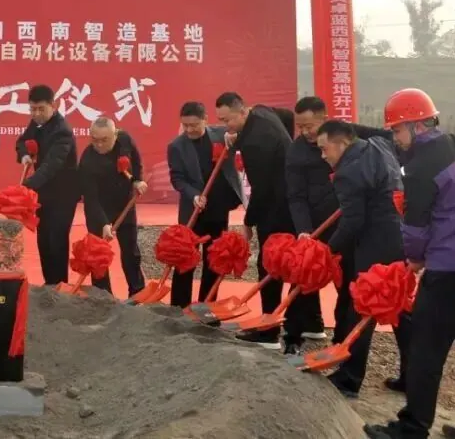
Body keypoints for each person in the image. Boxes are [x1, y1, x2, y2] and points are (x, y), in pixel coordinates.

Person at [365, 89, 455, 439]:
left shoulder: (420, 166)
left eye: (396, 130)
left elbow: (414, 229)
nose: (395, 138)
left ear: (415, 125)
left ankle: (412, 429)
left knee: (426, 349)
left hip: (450, 272)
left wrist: (414, 259)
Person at [287, 96, 399, 358]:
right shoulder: (296, 151)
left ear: (326, 122)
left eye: (310, 126)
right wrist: (303, 230)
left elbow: (389, 138)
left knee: (347, 286)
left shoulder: (349, 138)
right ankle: (293, 335)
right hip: (316, 227)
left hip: (349, 227)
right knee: (302, 280)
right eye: (300, 127)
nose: (305, 133)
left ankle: (341, 342)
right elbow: (295, 195)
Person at [317, 120, 413, 400]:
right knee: (401, 310)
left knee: (361, 308)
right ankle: (413, 375)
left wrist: (328, 250)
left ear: (342, 143)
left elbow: (353, 222)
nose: (323, 156)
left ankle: (349, 378)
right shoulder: (380, 146)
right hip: (399, 238)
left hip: (373, 246)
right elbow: (385, 133)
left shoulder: (348, 171)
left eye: (325, 149)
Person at [214, 92, 295, 350]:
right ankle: (310, 325)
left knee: (269, 265)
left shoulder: (256, 144)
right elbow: (286, 116)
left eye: (228, 120)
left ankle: (269, 331)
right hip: (292, 198)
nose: (226, 126)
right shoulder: (261, 111)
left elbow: (260, 189)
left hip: (278, 207)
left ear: (241, 112)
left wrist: (249, 222)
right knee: (295, 264)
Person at [168, 101, 244, 307]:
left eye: (194, 125)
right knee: (185, 260)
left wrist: (236, 139)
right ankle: (179, 307)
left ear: (205, 120)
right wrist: (193, 195)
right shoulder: (176, 146)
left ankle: (208, 304)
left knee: (215, 259)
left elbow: (244, 136)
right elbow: (177, 178)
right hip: (192, 208)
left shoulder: (222, 135)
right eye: (185, 125)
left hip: (218, 208)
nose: (189, 130)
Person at [16, 84, 80, 285]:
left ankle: (61, 286)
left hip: (63, 194)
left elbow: (51, 166)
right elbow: (21, 141)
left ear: (54, 105)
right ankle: (50, 284)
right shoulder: (36, 123)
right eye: (32, 109)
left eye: (41, 109)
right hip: (43, 192)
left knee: (57, 240)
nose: (36, 114)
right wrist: (25, 154)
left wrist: (25, 187)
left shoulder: (63, 131)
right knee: (43, 240)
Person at [79, 116, 147, 297]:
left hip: (125, 204)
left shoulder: (125, 140)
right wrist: (103, 223)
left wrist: (137, 180)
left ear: (115, 135)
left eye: (104, 140)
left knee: (131, 252)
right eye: (95, 140)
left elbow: (136, 160)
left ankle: (137, 292)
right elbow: (91, 199)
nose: (99, 144)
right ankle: (103, 296)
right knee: (98, 257)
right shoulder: (87, 161)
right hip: (99, 210)